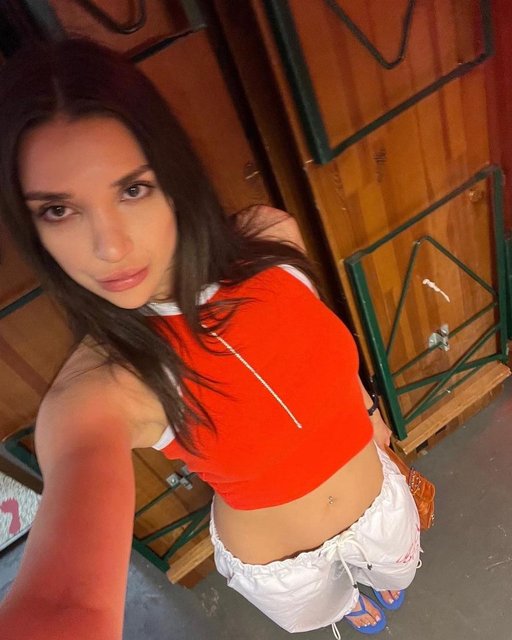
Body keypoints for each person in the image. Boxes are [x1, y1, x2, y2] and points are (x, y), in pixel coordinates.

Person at [0, 38, 420, 640]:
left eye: (132, 189)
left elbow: (318, 349)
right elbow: (65, 605)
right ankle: (344, 605)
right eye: (59, 211)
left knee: (394, 571)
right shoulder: (101, 391)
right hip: (284, 568)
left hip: (378, 500)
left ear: (174, 177)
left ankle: (373, 581)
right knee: (329, 608)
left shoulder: (270, 239)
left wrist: (367, 410)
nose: (110, 247)